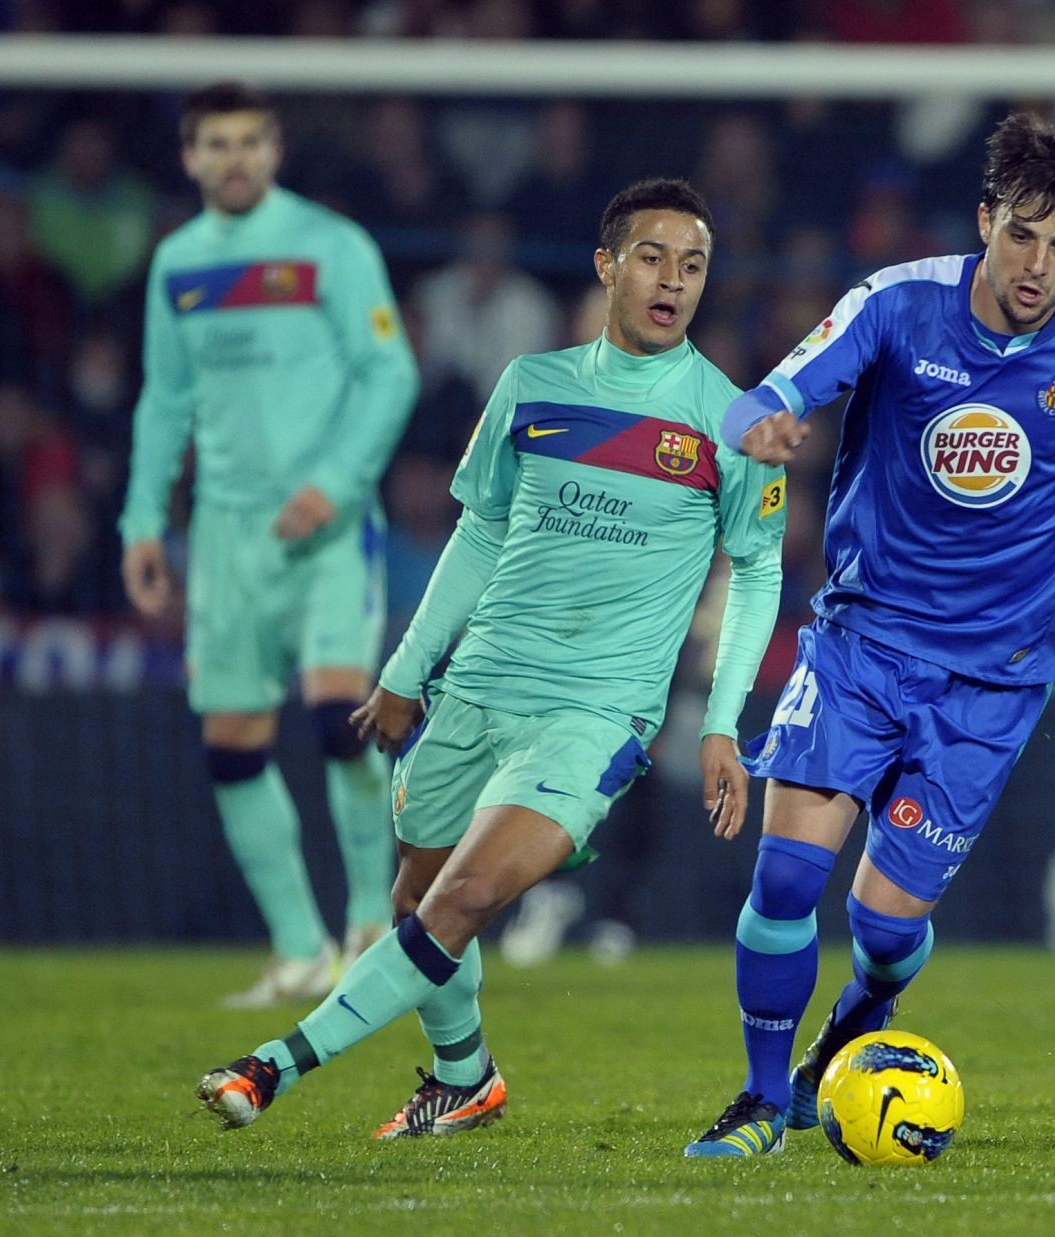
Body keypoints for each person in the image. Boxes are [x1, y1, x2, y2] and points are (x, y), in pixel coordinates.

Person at [684, 112, 1055, 1158]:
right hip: (862, 644)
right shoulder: (896, 305)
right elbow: (762, 398)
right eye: (1020, 237)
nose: (1037, 267)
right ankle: (760, 1101)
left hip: (995, 681)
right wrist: (763, 428)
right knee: (784, 879)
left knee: (882, 924)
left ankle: (857, 1023)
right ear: (984, 221)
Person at [195, 177, 786, 1139]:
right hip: (476, 687)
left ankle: (274, 1065)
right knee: (418, 901)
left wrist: (722, 723)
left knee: (462, 899)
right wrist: (403, 670)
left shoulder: (733, 422)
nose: (673, 280)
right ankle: (464, 1078)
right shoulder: (531, 385)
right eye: (652, 257)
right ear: (606, 266)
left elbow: (757, 574)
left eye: (693, 264)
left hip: (598, 713)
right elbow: (478, 535)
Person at [118, 82, 420, 1008]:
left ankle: (371, 923)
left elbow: (388, 372)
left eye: (250, 141)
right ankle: (298, 950)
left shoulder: (332, 247)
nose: (235, 158)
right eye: (217, 143)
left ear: (275, 149)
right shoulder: (178, 264)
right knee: (233, 745)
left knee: (341, 719)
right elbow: (164, 401)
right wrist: (140, 520)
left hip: (329, 528)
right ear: (190, 157)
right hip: (226, 535)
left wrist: (334, 481)